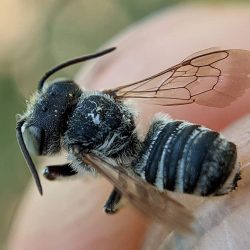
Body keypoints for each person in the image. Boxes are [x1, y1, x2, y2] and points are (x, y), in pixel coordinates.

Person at [7, 4, 250, 250]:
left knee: (111, 206)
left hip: (177, 168)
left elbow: (65, 173)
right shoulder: (110, 95)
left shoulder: (82, 152)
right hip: (186, 142)